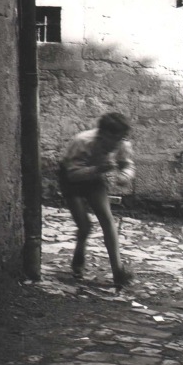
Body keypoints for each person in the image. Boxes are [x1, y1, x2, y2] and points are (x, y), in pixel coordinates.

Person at [59, 112, 135, 289]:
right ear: (102, 134)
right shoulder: (81, 142)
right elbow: (72, 175)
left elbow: (127, 165)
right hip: (72, 180)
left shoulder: (122, 144)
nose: (115, 145)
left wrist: (123, 176)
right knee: (84, 226)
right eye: (112, 140)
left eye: (120, 139)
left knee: (107, 220)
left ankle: (118, 271)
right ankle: (78, 257)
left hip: (95, 179)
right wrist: (98, 169)